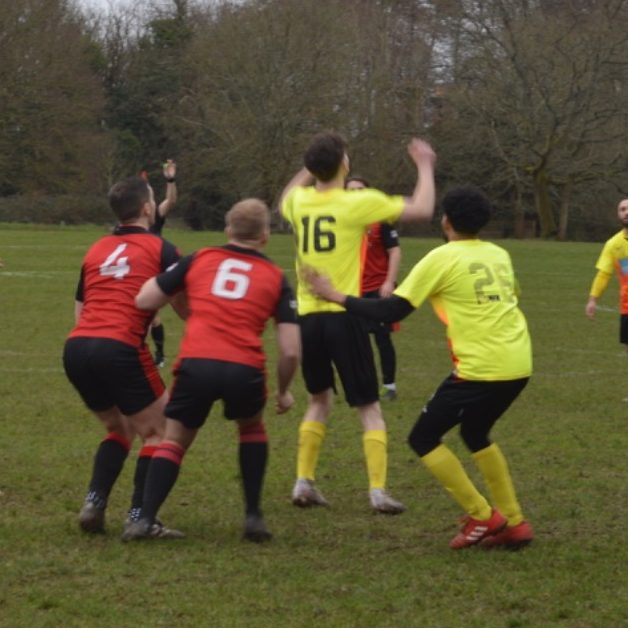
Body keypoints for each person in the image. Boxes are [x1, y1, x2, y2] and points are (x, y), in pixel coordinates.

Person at [305, 185, 534, 550]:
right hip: (519, 362)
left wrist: (335, 296)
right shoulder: (499, 254)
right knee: (475, 433)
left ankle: (481, 515)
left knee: (423, 438)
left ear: (446, 221)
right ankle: (515, 522)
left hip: (481, 368)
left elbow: (391, 310)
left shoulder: (441, 257)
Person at [122, 199, 300, 543]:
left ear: (228, 229)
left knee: (174, 440)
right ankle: (253, 517)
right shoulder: (276, 277)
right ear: (265, 235)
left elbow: (145, 300)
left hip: (197, 363)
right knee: (251, 428)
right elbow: (291, 350)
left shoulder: (200, 258)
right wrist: (283, 391)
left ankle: (144, 519)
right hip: (244, 367)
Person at [279, 131, 436, 514]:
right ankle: (378, 490)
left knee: (318, 400)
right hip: (343, 316)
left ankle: (303, 481)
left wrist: (310, 166)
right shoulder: (356, 203)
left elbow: (285, 196)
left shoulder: (298, 202)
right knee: (368, 406)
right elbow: (422, 209)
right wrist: (425, 165)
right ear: (343, 165)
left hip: (307, 318)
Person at [63, 175, 185, 538]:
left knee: (120, 428)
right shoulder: (163, 249)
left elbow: (80, 308)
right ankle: (139, 517)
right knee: (160, 431)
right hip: (119, 346)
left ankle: (94, 503)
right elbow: (185, 309)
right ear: (147, 208)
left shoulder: (97, 248)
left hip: (77, 348)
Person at [346, 175, 401, 401]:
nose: (356, 194)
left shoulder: (381, 219)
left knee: (382, 338)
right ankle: (363, 385)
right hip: (352, 290)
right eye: (351, 190)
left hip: (378, 289)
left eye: (360, 189)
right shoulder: (342, 220)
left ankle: (389, 386)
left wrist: (389, 281)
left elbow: (394, 251)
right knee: (356, 340)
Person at [585, 198, 628, 358]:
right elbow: (603, 274)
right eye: (622, 209)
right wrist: (593, 299)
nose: (626, 212)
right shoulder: (613, 245)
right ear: (618, 215)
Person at [147, 159, 178, 368]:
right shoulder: (130, 220)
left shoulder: (155, 216)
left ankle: (159, 355)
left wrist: (171, 180)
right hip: (134, 268)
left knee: (153, 316)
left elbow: (171, 201)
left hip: (153, 267)